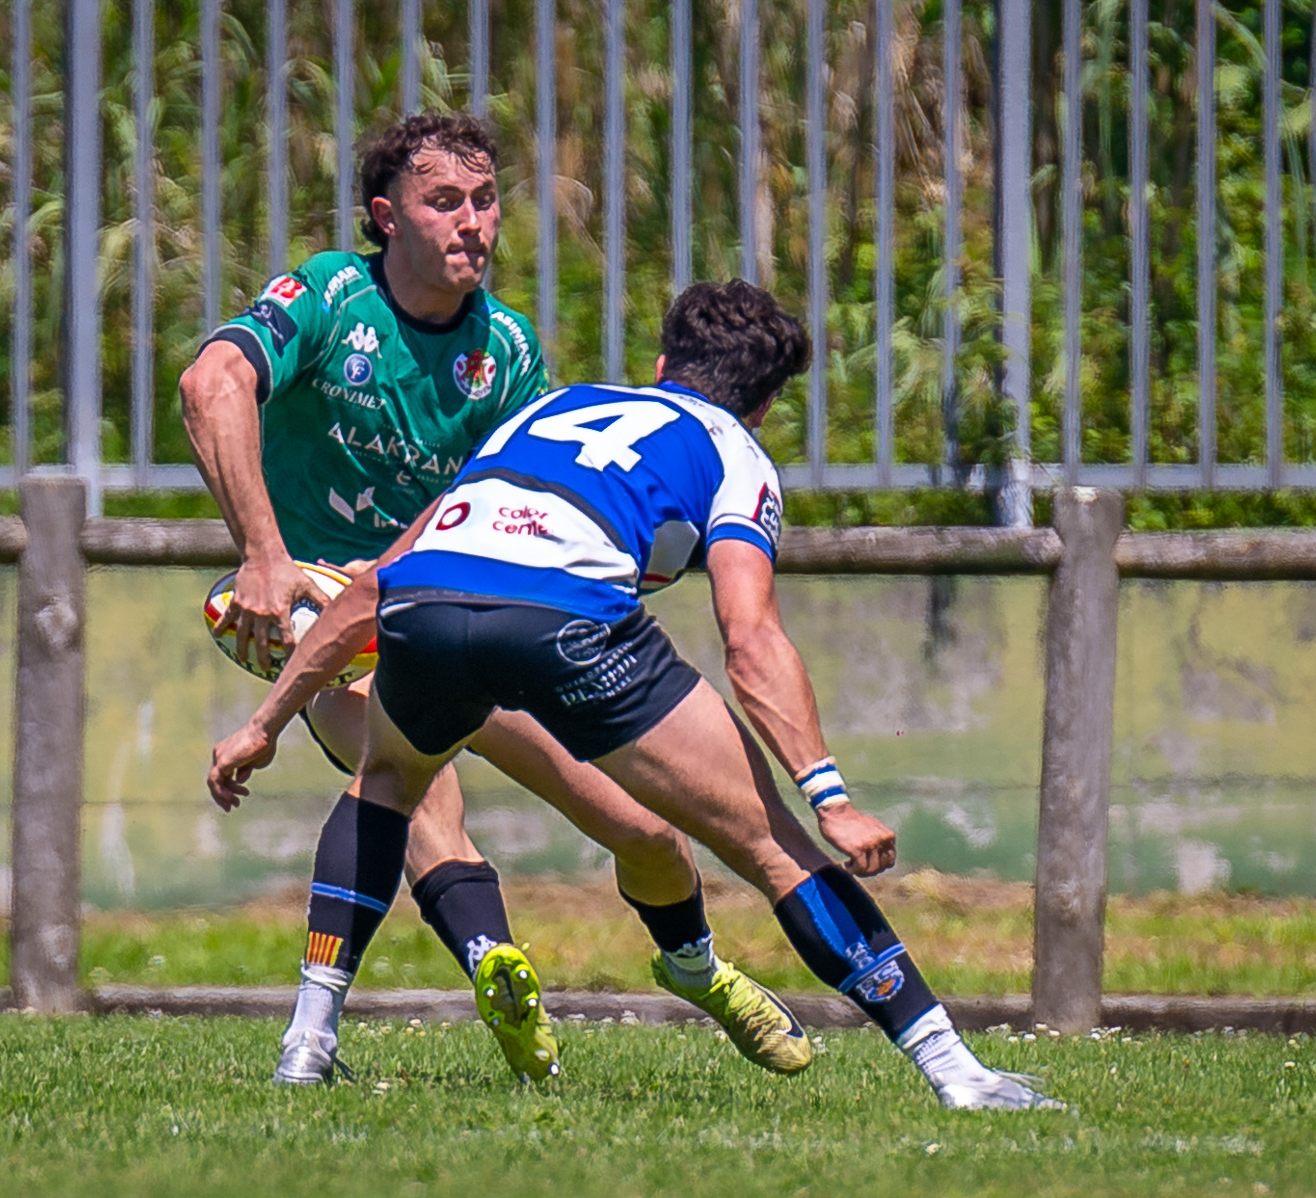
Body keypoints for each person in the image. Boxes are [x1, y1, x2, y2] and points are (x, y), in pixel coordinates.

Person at [207, 281, 1058, 1110]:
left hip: (426, 609)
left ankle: (307, 1044)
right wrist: (828, 795)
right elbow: (750, 638)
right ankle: (956, 1073)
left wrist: (263, 724)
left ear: (660, 365)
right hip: (569, 620)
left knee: (388, 785)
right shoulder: (734, 451)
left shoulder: (548, 408)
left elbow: (378, 582)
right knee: (775, 848)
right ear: (764, 406)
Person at [180, 114, 808, 1085]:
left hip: (464, 602)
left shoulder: (506, 349)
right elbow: (210, 381)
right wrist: (266, 557)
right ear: (387, 216)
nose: (473, 221)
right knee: (411, 787)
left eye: (484, 201)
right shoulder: (330, 297)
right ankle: (401, 1000)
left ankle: (696, 967)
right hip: (333, 616)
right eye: (444, 201)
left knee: (645, 828)